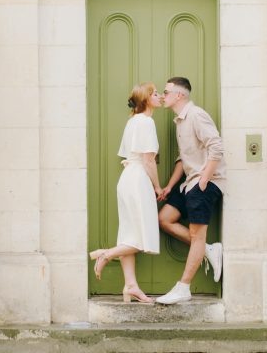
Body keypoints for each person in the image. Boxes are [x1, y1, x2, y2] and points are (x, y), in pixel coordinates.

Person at [89, 82, 165, 303]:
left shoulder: (133, 121)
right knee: (143, 236)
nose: (160, 96)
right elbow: (149, 159)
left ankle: (131, 286)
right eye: (155, 93)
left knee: (130, 233)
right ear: (146, 99)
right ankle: (107, 254)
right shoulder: (147, 122)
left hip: (127, 178)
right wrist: (158, 187)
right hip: (138, 179)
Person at [156, 76, 225, 305]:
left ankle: (183, 287)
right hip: (188, 182)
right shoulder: (180, 121)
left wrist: (204, 180)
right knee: (164, 219)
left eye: (166, 92)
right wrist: (169, 186)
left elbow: (216, 147)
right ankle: (208, 250)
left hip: (203, 182)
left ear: (179, 95)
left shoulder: (196, 115)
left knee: (197, 235)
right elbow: (181, 159)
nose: (163, 96)